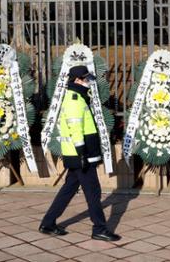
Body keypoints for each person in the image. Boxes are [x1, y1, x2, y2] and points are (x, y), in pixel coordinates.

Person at [39, 65, 121, 242]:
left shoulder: (78, 98)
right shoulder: (75, 100)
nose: (89, 81)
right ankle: (99, 228)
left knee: (68, 190)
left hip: (78, 155)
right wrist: (82, 155)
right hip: (80, 155)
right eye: (86, 79)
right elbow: (76, 130)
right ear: (77, 80)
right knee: (93, 192)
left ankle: (48, 223)